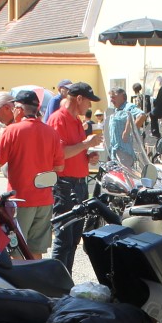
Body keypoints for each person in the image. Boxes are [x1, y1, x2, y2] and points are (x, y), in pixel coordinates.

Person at [0, 88, 63, 257]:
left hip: (21, 199)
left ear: (20, 109)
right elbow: (59, 167)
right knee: (36, 251)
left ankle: (20, 284)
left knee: (16, 250)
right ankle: (35, 283)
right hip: (44, 198)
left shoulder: (11, 131)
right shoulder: (51, 132)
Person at [48, 82, 103, 266]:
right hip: (64, 184)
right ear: (78, 99)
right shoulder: (59, 119)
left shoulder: (76, 120)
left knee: (73, 240)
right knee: (64, 239)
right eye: (88, 102)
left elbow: (74, 151)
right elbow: (60, 153)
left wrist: (88, 156)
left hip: (78, 183)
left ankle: (66, 283)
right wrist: (87, 145)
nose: (90, 106)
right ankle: (56, 284)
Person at [105, 86, 147, 170]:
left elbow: (142, 115)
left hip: (125, 152)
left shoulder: (128, 107)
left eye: (113, 97)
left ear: (122, 97)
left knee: (125, 176)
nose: (111, 100)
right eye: (111, 98)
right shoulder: (117, 110)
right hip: (115, 152)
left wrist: (128, 132)